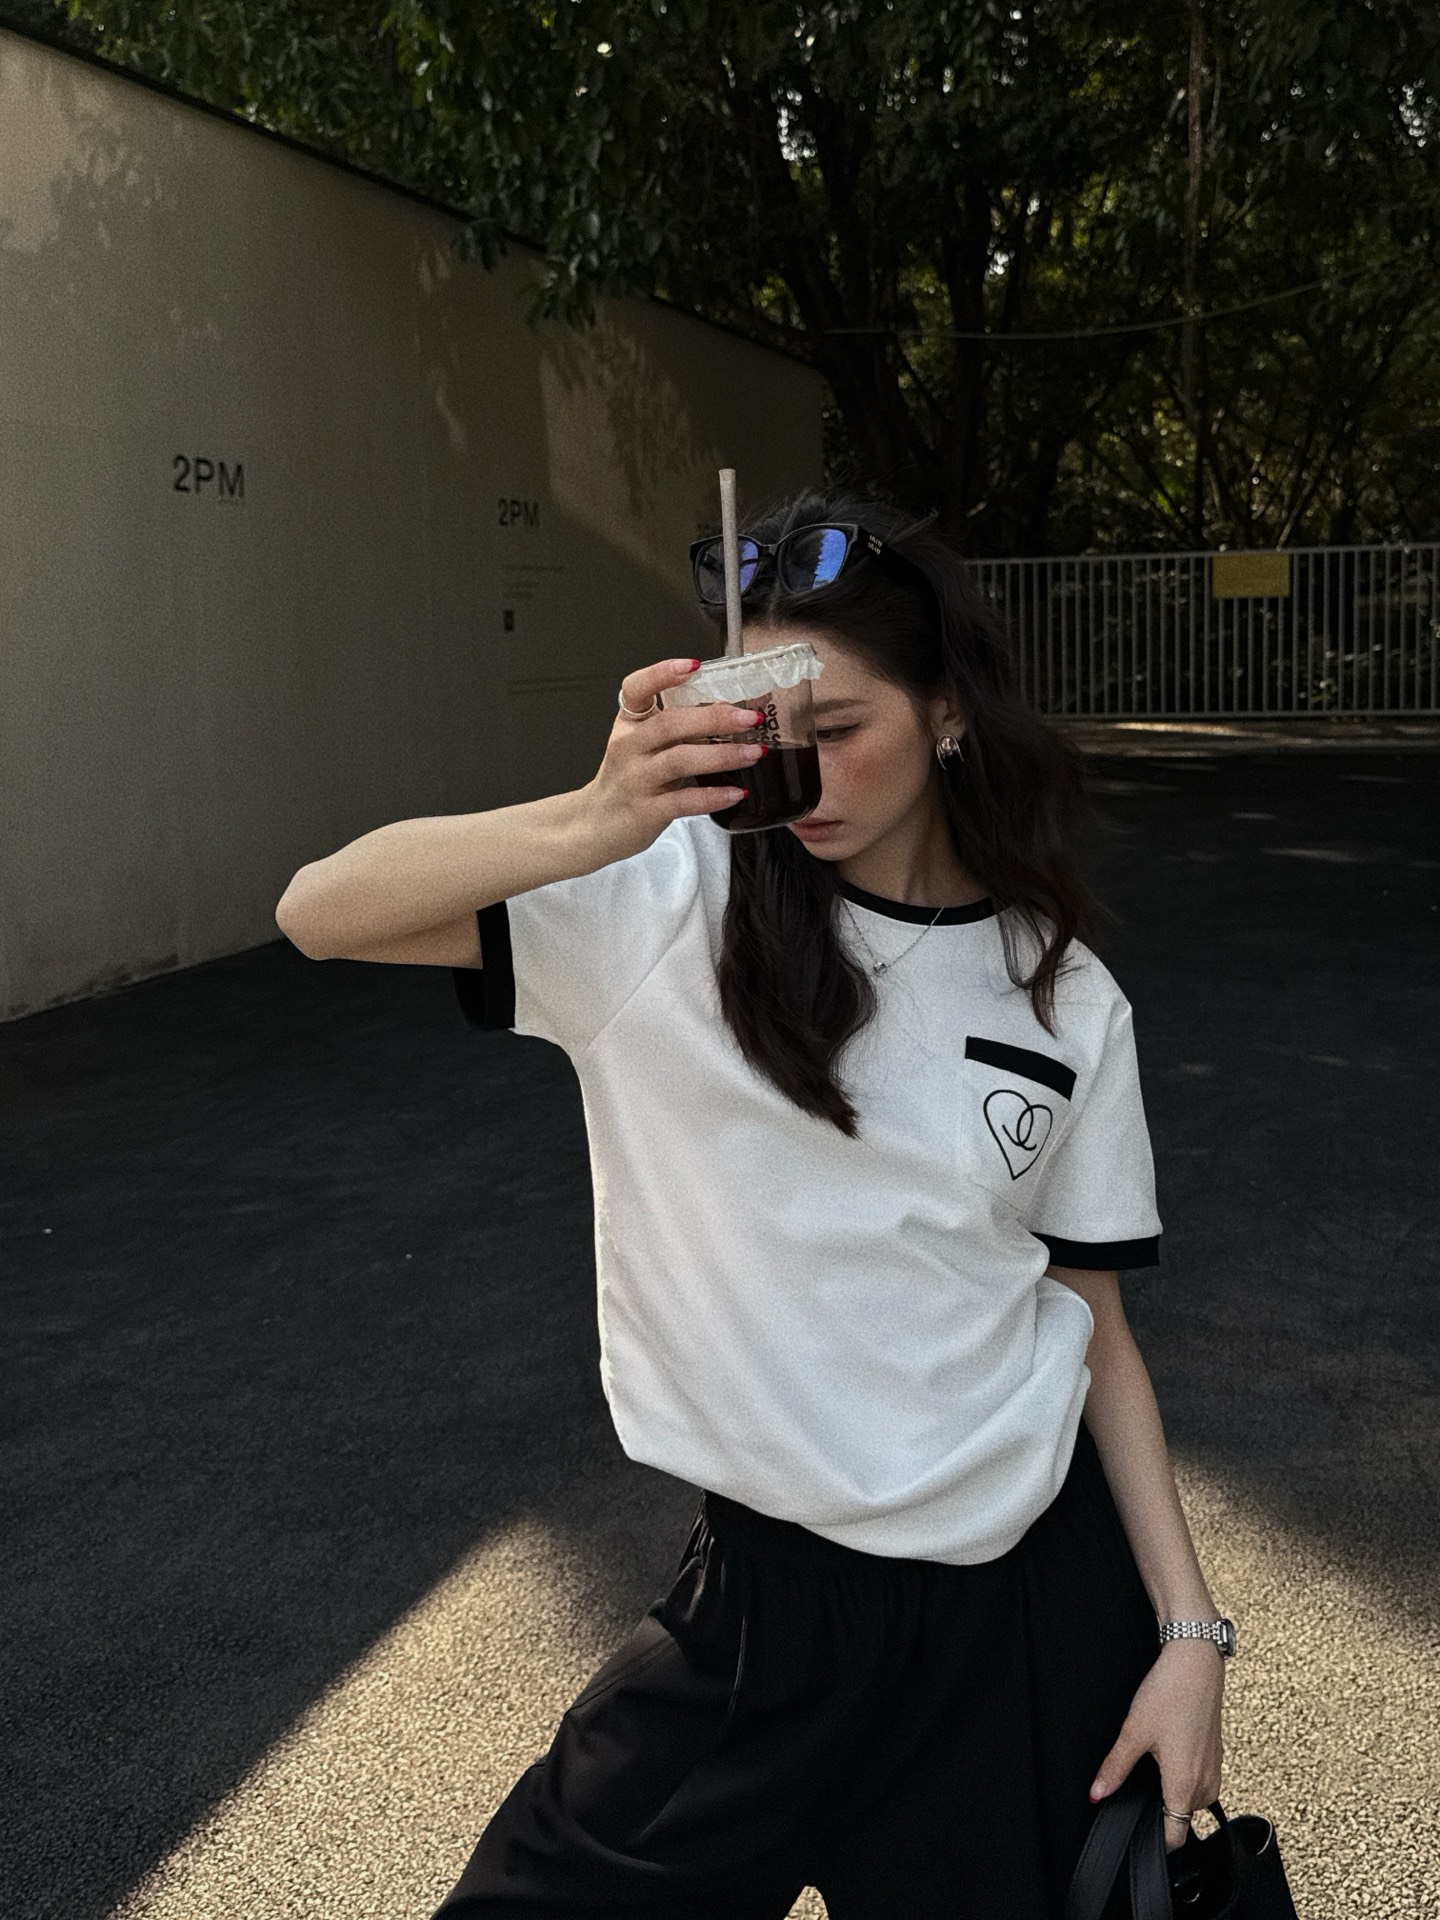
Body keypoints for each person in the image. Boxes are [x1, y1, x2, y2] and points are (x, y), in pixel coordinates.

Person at [275, 490, 1229, 1919]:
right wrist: (598, 815)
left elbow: (1089, 1323)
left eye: (837, 727)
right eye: (771, 730)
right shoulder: (664, 909)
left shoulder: (1062, 988)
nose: (803, 772)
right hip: (761, 1620)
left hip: (1024, 1619)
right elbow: (319, 910)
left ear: (949, 712)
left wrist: (1190, 1636)